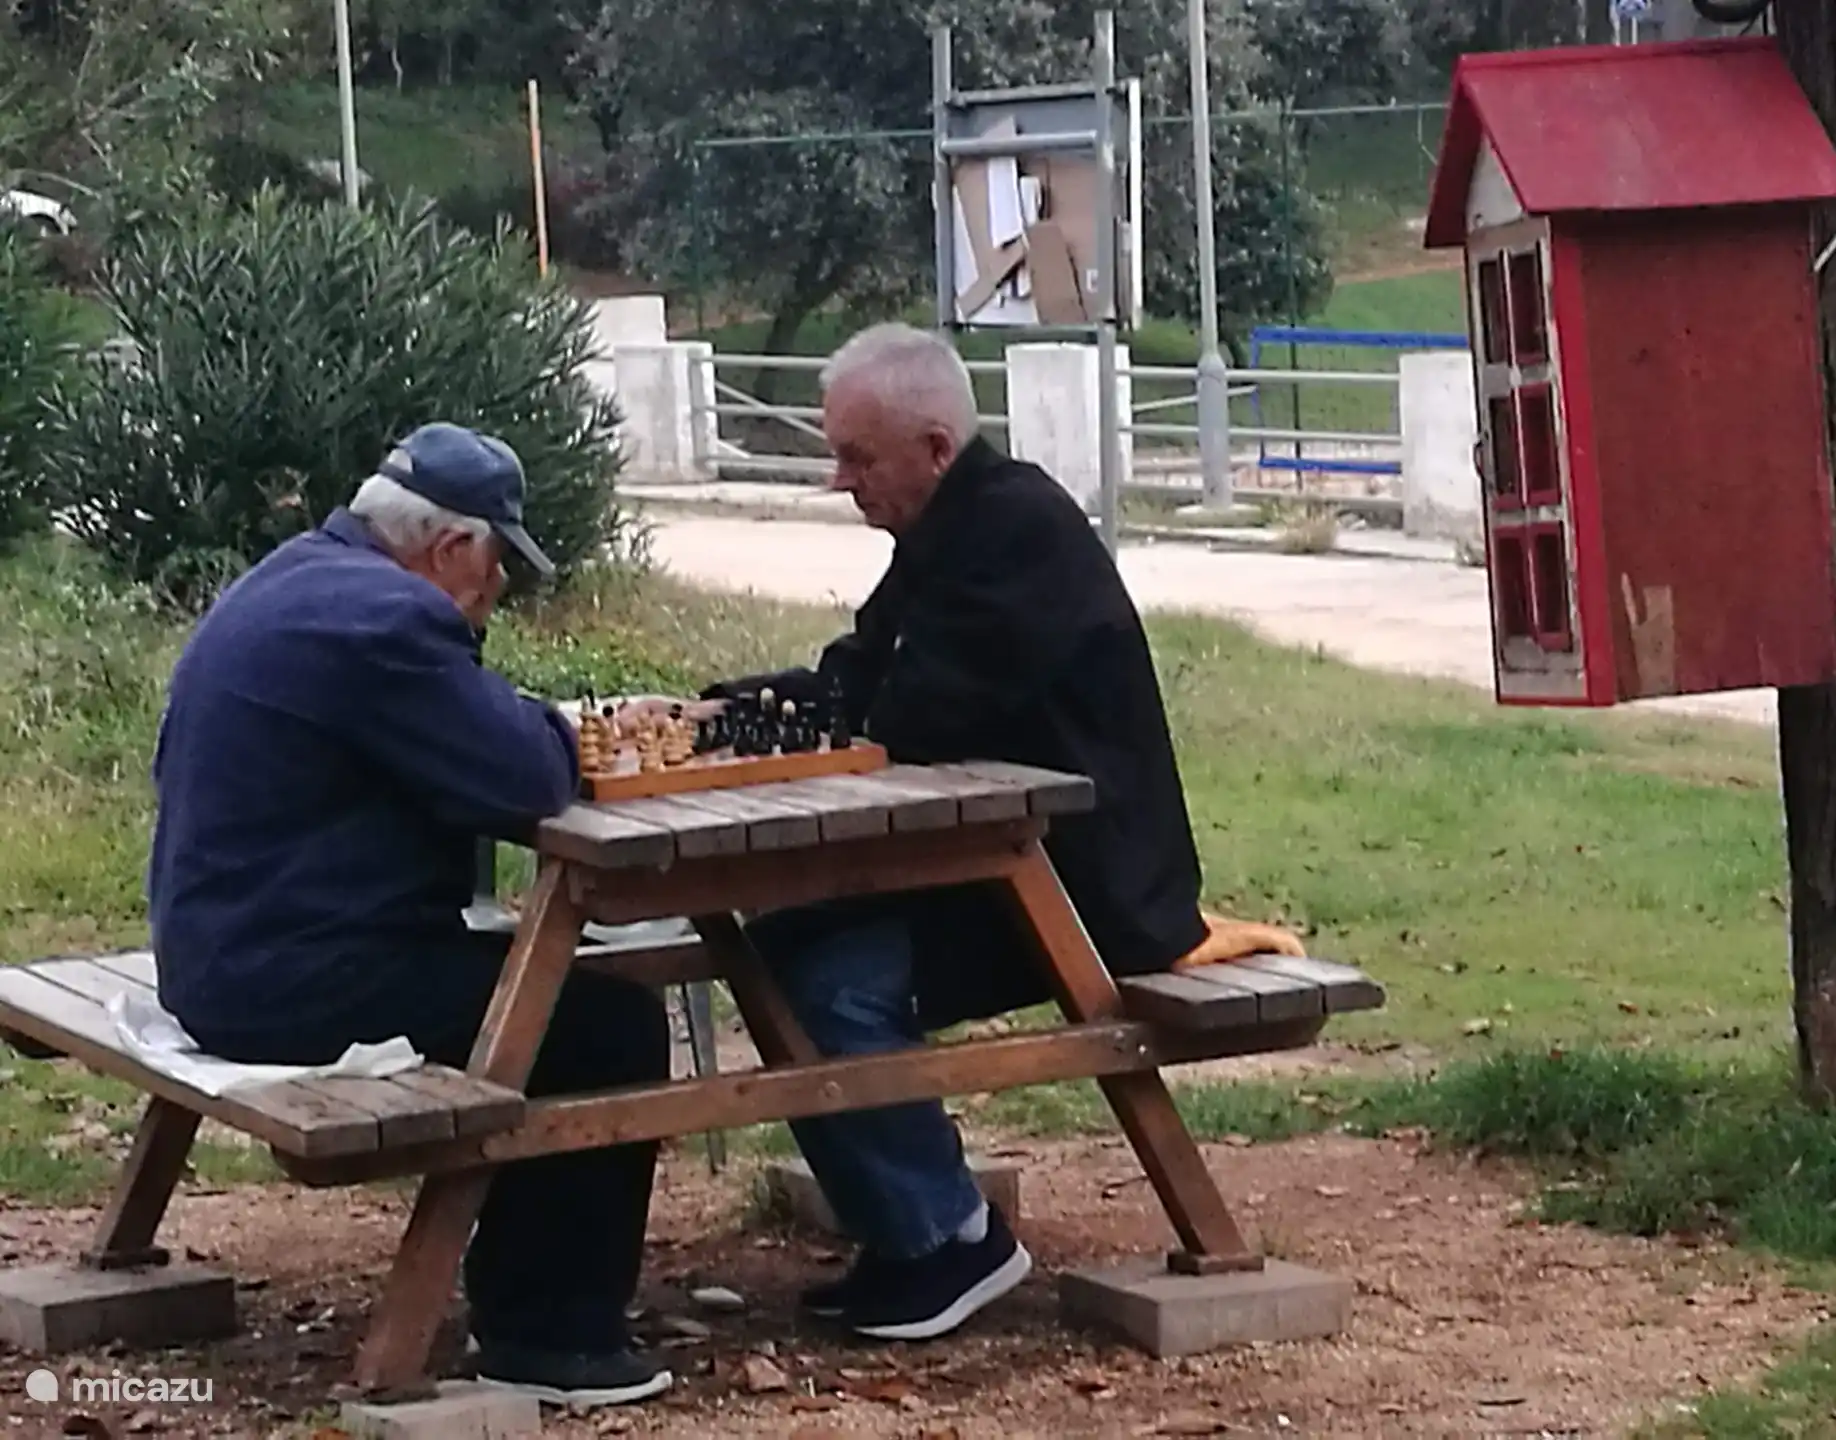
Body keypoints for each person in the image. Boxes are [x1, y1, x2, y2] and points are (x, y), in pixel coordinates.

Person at [703, 324, 1213, 1342]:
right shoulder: (951, 529)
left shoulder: (1015, 530)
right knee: (784, 948)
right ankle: (914, 1230)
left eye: (857, 456)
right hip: (1003, 870)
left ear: (934, 447)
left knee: (830, 978)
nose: (838, 480)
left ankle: (950, 1238)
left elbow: (912, 717)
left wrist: (808, 718)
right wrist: (734, 709)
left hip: (1091, 887)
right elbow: (859, 673)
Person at [146, 423, 674, 1408]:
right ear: (452, 549)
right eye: (500, 564)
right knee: (604, 1024)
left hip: (230, 945)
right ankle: (551, 1336)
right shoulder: (388, 620)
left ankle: (532, 1298)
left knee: (541, 988)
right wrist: (545, 720)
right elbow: (527, 777)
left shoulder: (302, 576)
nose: (500, 590)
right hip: (288, 978)